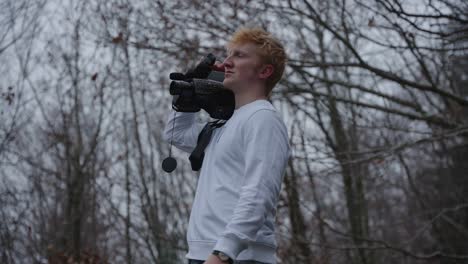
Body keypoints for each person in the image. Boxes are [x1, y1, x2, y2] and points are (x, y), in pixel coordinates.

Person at [163, 27, 289, 264]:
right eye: (229, 54)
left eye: (239, 56)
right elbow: (175, 134)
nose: (226, 63)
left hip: (237, 256)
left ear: (265, 70)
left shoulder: (263, 119)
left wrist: (224, 252)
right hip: (205, 253)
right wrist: (188, 99)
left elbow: (259, 192)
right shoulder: (224, 123)